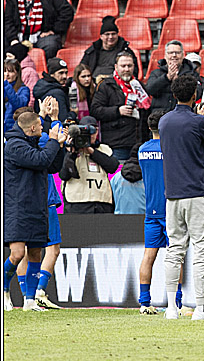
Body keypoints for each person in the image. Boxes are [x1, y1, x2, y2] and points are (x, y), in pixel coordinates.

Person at [158, 75, 204, 320]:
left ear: (175, 95)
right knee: (201, 251)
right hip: (197, 194)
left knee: (174, 249)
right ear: (195, 95)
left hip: (173, 195)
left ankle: (170, 308)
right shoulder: (199, 122)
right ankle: (202, 308)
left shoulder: (164, 122)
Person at [3, 111, 65, 312]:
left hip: (37, 205)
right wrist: (53, 141)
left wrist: (60, 146)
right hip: (18, 207)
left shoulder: (33, 143)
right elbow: (40, 160)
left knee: (36, 253)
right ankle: (4, 290)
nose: (42, 129)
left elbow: (52, 165)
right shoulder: (14, 145)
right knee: (17, 253)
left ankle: (29, 301)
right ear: (31, 128)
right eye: (40, 125)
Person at [138, 110, 194, 315]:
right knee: (176, 256)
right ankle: (176, 303)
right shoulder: (170, 148)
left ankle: (144, 303)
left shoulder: (142, 150)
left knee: (148, 256)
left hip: (151, 210)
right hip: (171, 209)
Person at [91, 52, 151, 161]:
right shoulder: (106, 86)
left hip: (138, 143)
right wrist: (118, 111)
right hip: (117, 144)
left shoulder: (139, 86)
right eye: (123, 66)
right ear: (116, 67)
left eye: (129, 66)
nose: (126, 69)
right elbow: (95, 110)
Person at [4, 0, 73, 62]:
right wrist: (13, 39)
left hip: (42, 35)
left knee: (51, 44)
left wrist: (54, 29)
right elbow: (7, 21)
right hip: (18, 35)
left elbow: (67, 11)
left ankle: (47, 72)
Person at [59, 114, 119, 213]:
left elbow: (113, 166)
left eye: (93, 131)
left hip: (102, 201)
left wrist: (91, 151)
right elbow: (64, 175)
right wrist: (72, 154)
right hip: (77, 202)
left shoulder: (104, 149)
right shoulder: (69, 149)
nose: (90, 135)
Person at [147, 40, 202, 112]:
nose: (174, 55)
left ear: (183, 55)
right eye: (170, 53)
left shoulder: (192, 73)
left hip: (184, 114)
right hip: (160, 115)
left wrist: (178, 82)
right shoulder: (156, 73)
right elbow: (149, 90)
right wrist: (167, 77)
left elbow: (197, 93)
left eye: (177, 53)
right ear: (165, 56)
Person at [80, 16, 132, 82]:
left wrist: (108, 78)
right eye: (107, 34)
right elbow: (81, 69)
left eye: (113, 34)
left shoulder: (125, 51)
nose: (110, 37)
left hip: (116, 84)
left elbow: (132, 72)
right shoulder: (92, 51)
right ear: (101, 36)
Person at [31, 57, 72, 123]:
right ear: (51, 74)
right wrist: (73, 113)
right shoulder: (57, 93)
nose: (64, 76)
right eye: (61, 73)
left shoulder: (43, 86)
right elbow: (64, 120)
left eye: (66, 73)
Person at [4, 59, 31, 132]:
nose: (6, 74)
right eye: (4, 71)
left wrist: (6, 84)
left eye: (10, 71)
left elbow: (19, 105)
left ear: (17, 74)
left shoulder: (24, 90)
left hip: (13, 131)